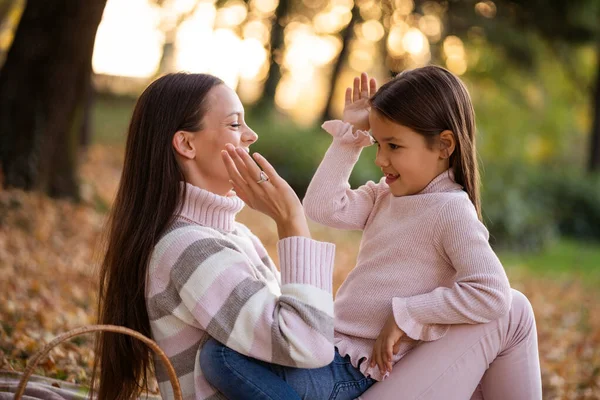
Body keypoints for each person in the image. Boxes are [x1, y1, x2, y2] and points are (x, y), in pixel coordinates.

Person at [200, 66, 543, 400]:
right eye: (378, 144)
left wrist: (407, 313)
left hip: (357, 372)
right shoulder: (385, 195)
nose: (380, 158)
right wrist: (351, 136)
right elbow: (321, 207)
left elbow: (492, 292)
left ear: (444, 145)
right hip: (330, 351)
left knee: (221, 358)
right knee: (221, 356)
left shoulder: (450, 210)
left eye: (394, 146)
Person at [92, 72, 337, 400]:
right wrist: (292, 221)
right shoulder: (188, 248)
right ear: (186, 144)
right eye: (235, 125)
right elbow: (309, 346)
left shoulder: (235, 235)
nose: (251, 135)